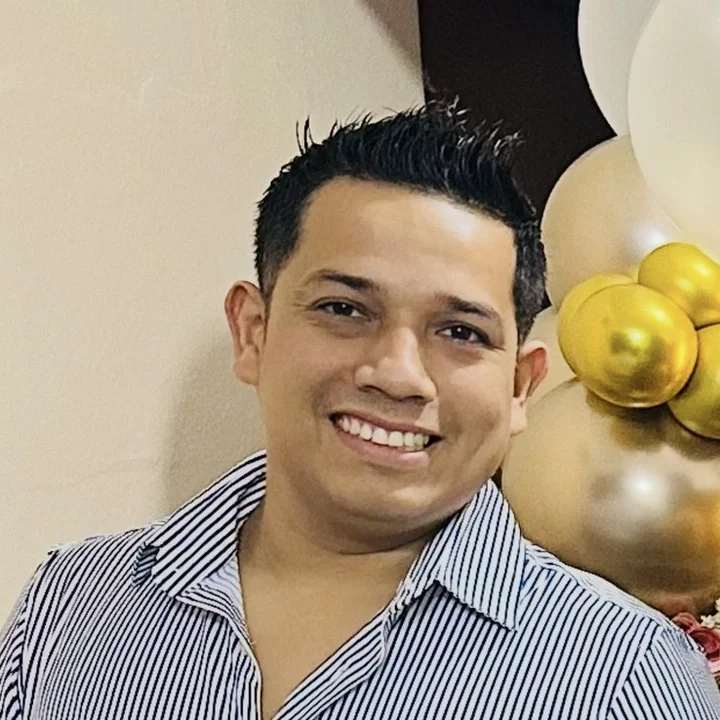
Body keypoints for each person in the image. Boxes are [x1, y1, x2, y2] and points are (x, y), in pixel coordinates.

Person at [1, 103, 718, 720]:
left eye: (460, 332)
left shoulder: (624, 677)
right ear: (253, 333)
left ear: (519, 388)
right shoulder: (71, 606)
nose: (398, 375)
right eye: (344, 309)